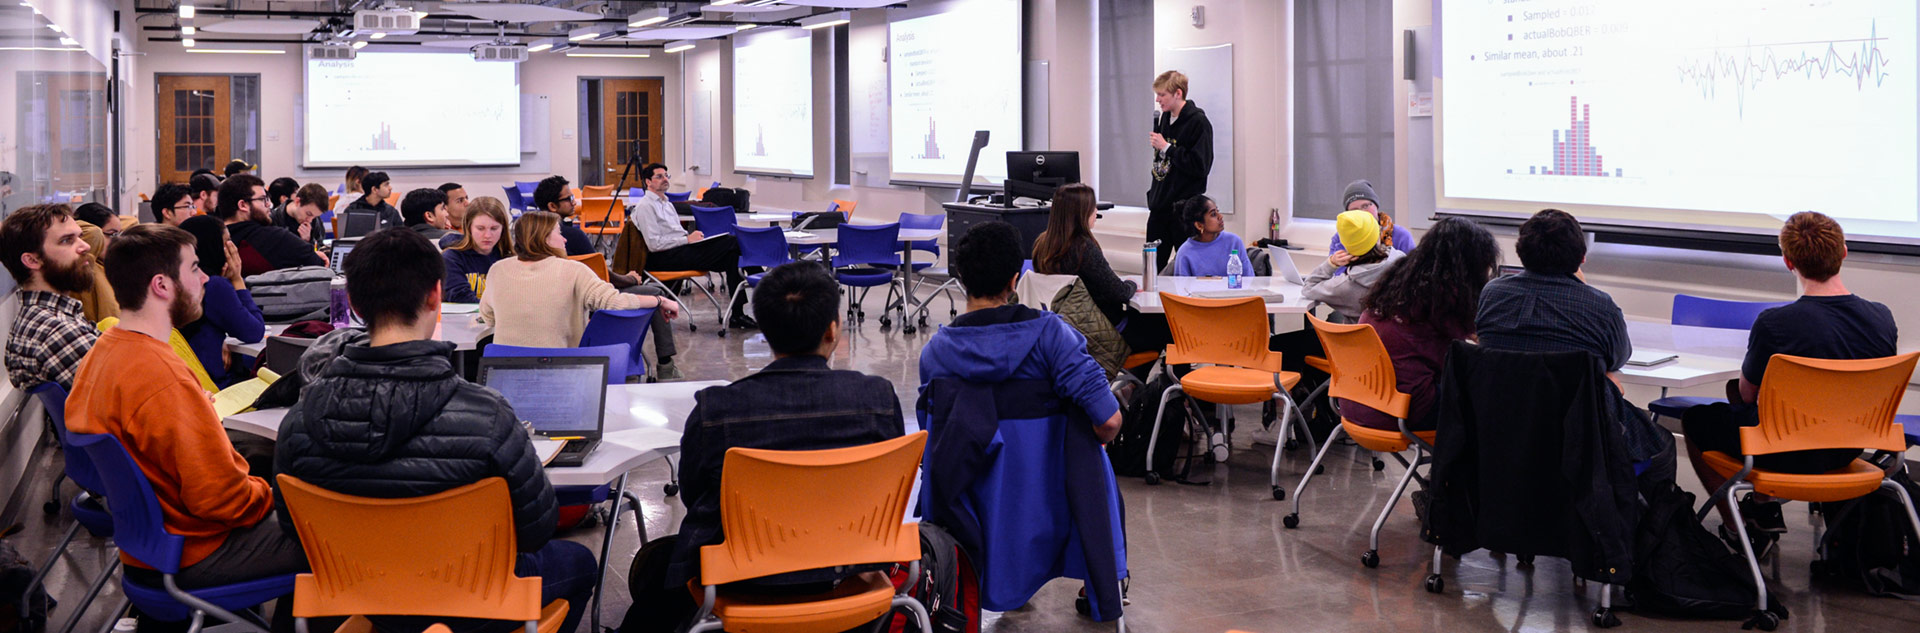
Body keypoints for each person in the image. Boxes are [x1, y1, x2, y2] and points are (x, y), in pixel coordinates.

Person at [275, 228, 594, 633]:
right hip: (472, 601)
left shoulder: (299, 423)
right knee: (579, 562)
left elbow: (295, 531)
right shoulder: (488, 416)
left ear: (353, 303)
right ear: (434, 296)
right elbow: (536, 528)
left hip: (361, 595)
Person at [622, 262, 905, 633]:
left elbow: (696, 496)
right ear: (833, 328)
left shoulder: (716, 409)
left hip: (741, 576)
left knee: (658, 564)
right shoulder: (877, 398)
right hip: (850, 565)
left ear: (765, 333)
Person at [67, 222, 307, 604]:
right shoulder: (163, 378)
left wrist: (197, 420)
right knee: (336, 533)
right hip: (197, 551)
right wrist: (279, 494)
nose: (205, 279)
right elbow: (224, 502)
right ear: (162, 286)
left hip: (152, 547)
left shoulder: (105, 351)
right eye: (194, 268)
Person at [1681, 211, 1896, 555]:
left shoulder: (1776, 323)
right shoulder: (1881, 317)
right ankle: (1762, 507)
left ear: (1788, 262)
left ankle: (1743, 531)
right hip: (1851, 445)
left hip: (1788, 452)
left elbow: (1748, 394)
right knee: (1738, 402)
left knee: (1696, 419)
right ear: (1843, 252)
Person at [1476, 209, 1674, 486]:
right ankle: (1644, 526)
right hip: (1577, 435)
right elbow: (1618, 357)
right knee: (1661, 445)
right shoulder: (1598, 305)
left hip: (1503, 428)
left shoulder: (1491, 293)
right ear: (1581, 258)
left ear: (1521, 253)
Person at [1338, 217, 1500, 432]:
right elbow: (1481, 342)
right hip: (1401, 411)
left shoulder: (1399, 283)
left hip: (1358, 403)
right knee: (1497, 399)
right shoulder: (1443, 297)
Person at [479, 211, 680, 350]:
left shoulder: (497, 269)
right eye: (559, 233)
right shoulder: (574, 270)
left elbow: (488, 317)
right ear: (544, 239)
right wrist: (660, 300)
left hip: (505, 372)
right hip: (560, 369)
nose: (565, 240)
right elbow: (616, 302)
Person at [1031, 182, 1169, 353]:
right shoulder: (1083, 248)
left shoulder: (1042, 244)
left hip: (1067, 327)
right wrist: (1132, 284)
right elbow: (1120, 293)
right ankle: (1178, 378)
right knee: (1171, 328)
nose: (1096, 212)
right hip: (1101, 331)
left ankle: (1137, 380)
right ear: (1081, 213)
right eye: (1093, 207)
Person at [627, 164, 755, 329]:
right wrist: (687, 240)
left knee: (733, 256)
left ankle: (737, 315)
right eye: (659, 176)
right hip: (662, 257)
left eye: (666, 175)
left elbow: (677, 234)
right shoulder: (646, 206)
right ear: (647, 182)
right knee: (733, 242)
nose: (665, 179)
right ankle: (764, 281)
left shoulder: (667, 204)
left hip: (679, 251)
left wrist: (696, 240)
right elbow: (654, 244)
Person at [2, 204, 99, 390]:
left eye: (80, 237)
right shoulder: (57, 332)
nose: (85, 246)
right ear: (32, 260)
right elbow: (138, 402)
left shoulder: (44, 318)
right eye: (67, 240)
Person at [177, 216, 265, 387]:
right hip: (218, 385)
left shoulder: (178, 280)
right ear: (212, 246)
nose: (231, 249)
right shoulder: (212, 285)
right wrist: (238, 280)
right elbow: (254, 332)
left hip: (189, 379)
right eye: (226, 243)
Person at [1146, 70, 1214, 271]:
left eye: (1162, 95)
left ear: (1178, 93)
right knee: (1153, 268)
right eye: (1157, 95)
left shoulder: (1198, 122)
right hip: (1159, 207)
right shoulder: (1164, 119)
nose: (1158, 100)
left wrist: (1167, 147)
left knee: (1188, 267)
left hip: (1183, 210)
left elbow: (1200, 166)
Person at [1302, 210, 1405, 320]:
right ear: (1378, 235)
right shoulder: (1403, 262)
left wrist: (1331, 263)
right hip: (1398, 336)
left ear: (1346, 245)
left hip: (1360, 337)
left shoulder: (1343, 286)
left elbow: (1309, 288)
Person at [215, 174, 325, 275]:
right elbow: (319, 264)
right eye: (263, 199)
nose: (269, 204)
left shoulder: (212, 239)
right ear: (243, 205)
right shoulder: (275, 238)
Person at [1327, 180, 1416, 269]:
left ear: (1376, 205)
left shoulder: (1401, 236)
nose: (1362, 212)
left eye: (1366, 206)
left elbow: (1413, 272)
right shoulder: (1340, 238)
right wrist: (1333, 263)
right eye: (1354, 210)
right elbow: (1336, 276)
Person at [443, 197, 511, 304]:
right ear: (469, 227)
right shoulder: (451, 257)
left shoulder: (511, 258)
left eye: (494, 229)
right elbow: (459, 295)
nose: (487, 235)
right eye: (480, 228)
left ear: (503, 229)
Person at [1169, 195, 1253, 277]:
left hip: (1234, 291)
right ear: (1199, 225)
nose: (1220, 216)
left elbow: (1249, 280)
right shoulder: (1185, 252)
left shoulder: (1234, 242)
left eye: (1218, 211)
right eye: (1213, 214)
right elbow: (1182, 288)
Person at [530, 176, 596, 256]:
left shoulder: (530, 236)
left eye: (573, 197)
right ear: (552, 206)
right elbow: (595, 265)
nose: (574, 203)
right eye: (569, 199)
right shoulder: (575, 236)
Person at [271, 183, 330, 249]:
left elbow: (320, 249)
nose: (310, 220)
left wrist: (308, 241)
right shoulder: (273, 218)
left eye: (315, 216)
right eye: (308, 214)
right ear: (297, 201)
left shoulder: (315, 220)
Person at [438, 182, 470, 247]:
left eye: (466, 198)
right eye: (460, 200)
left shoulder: (473, 227)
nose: (468, 203)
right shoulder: (439, 234)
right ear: (444, 207)